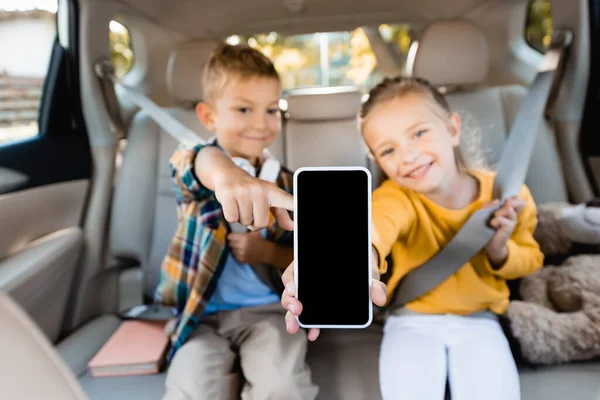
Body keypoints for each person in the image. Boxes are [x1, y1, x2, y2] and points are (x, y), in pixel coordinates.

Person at [280, 76, 544, 400]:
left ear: (453, 129)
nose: (408, 156)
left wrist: (499, 249)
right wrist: (361, 259)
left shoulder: (508, 195)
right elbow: (375, 227)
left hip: (481, 321)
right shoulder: (396, 198)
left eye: (419, 133)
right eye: (388, 150)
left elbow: (531, 260)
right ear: (378, 162)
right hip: (411, 321)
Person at [156, 42, 318, 400]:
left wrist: (266, 253)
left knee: (284, 387)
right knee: (191, 389)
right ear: (209, 116)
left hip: (269, 312)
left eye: (272, 110)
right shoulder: (197, 169)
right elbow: (198, 162)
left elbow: (305, 259)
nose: (261, 123)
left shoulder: (288, 184)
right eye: (244, 109)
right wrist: (228, 175)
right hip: (201, 315)